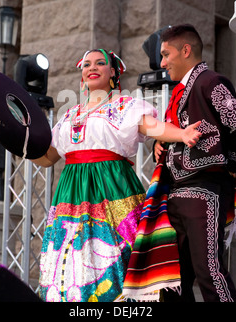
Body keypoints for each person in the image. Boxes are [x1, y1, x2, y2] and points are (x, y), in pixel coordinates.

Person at [32, 48, 202, 302]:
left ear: (112, 72)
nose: (92, 67)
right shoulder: (69, 116)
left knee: (119, 257)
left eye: (100, 63)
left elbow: (155, 128)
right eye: (87, 64)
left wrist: (182, 134)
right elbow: (46, 158)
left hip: (114, 189)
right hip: (71, 196)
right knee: (73, 263)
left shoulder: (125, 106)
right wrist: (19, 142)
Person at [153, 24, 236, 302]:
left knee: (209, 272)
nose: (162, 63)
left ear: (186, 50)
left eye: (166, 54)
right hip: (175, 192)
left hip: (204, 192)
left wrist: (230, 163)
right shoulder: (181, 91)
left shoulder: (210, 82)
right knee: (172, 280)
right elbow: (177, 130)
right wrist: (161, 142)